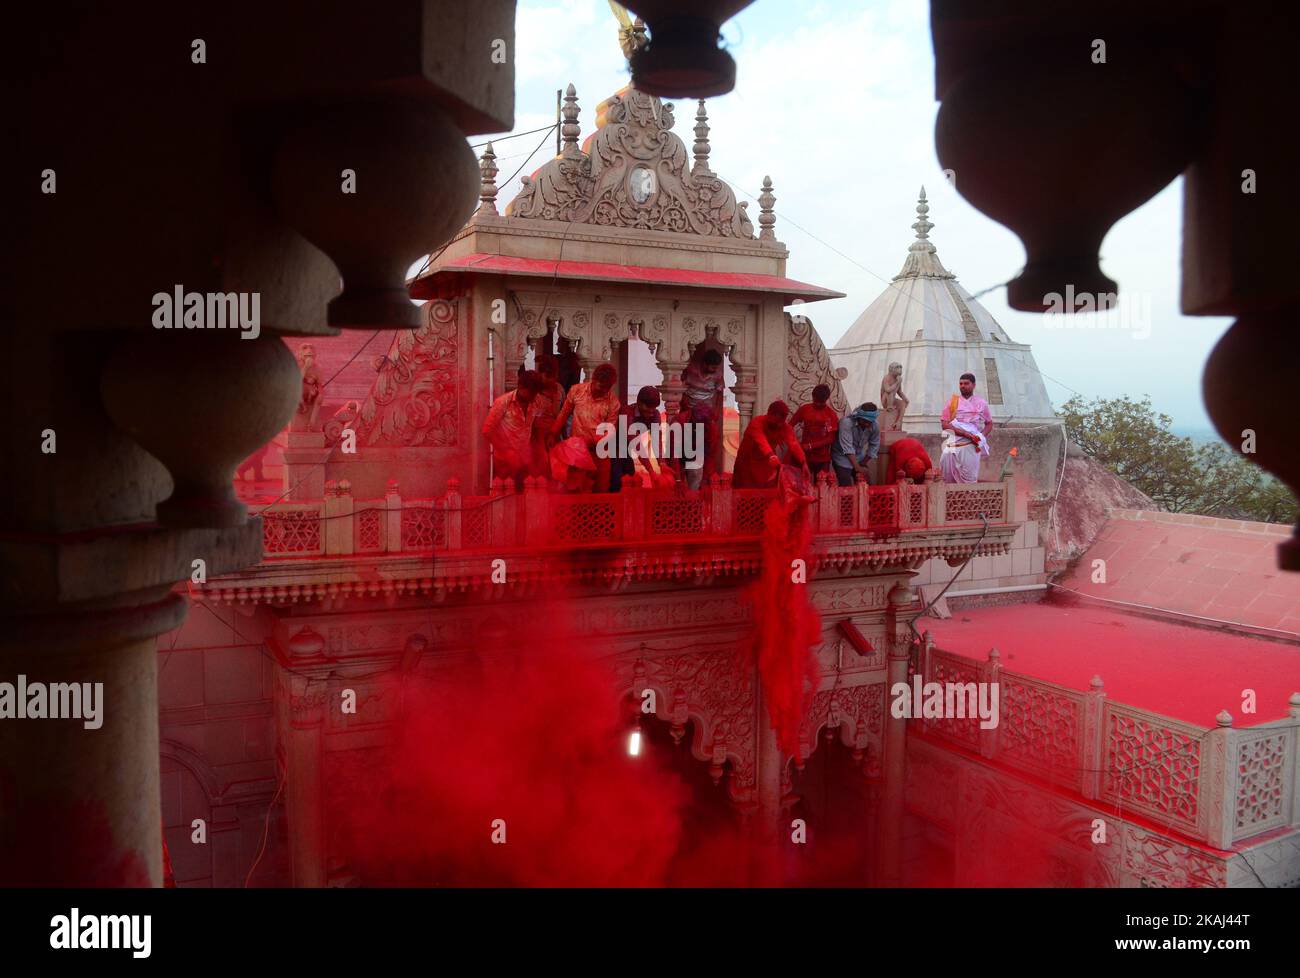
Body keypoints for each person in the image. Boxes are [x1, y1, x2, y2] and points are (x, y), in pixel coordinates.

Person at [551, 362, 621, 492]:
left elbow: (610, 430)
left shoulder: (613, 402)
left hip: (600, 452)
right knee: (577, 491)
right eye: (601, 386)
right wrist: (553, 433)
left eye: (607, 388)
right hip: (578, 452)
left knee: (601, 492)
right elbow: (563, 414)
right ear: (593, 379)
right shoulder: (576, 391)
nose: (603, 391)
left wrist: (598, 442)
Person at [483, 370, 543, 489]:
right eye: (530, 393)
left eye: (535, 393)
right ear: (520, 387)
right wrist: (507, 452)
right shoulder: (502, 402)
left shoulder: (537, 400)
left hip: (525, 459)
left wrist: (541, 450)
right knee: (505, 497)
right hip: (504, 462)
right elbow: (487, 431)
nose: (533, 397)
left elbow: (537, 427)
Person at [609, 386, 674, 490]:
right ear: (639, 402)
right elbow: (636, 443)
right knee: (617, 482)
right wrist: (651, 471)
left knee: (632, 482)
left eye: (653, 409)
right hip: (612, 450)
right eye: (648, 408)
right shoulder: (627, 412)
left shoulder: (655, 414)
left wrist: (661, 463)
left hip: (627, 451)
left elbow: (657, 440)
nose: (651, 413)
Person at [733, 400, 808, 489]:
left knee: (768, 494)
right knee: (745, 494)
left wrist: (803, 462)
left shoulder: (784, 426)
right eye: (776, 421)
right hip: (746, 464)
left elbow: (793, 444)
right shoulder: (757, 422)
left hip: (765, 466)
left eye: (781, 422)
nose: (778, 425)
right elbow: (761, 440)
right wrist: (771, 456)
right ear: (770, 414)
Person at [680, 347, 725, 488]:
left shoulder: (717, 375)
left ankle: (706, 478)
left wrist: (716, 413)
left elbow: (719, 394)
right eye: (712, 367)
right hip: (690, 413)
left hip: (707, 415)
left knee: (710, 446)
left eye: (716, 367)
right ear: (704, 364)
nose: (714, 369)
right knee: (687, 448)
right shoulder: (691, 370)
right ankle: (683, 479)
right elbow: (680, 388)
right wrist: (686, 409)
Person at [940, 372, 994, 484]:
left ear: (973, 385)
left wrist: (980, 436)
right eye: (960, 383)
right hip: (953, 443)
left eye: (966, 383)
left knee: (969, 480)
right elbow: (944, 424)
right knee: (946, 476)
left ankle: (968, 500)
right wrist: (965, 434)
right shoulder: (952, 402)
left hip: (971, 445)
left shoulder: (982, 404)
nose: (962, 386)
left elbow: (989, 424)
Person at [790, 384, 839, 479]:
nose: (818, 404)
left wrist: (810, 446)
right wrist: (793, 442)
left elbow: (831, 439)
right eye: (816, 401)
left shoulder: (831, 415)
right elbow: (790, 426)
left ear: (827, 399)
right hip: (805, 456)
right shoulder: (804, 409)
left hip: (823, 458)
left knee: (822, 488)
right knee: (803, 486)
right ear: (812, 396)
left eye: (821, 402)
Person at [529, 356, 565, 478]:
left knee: (558, 470)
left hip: (556, 435)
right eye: (547, 376)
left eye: (553, 376)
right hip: (538, 437)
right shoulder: (534, 393)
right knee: (542, 470)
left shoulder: (560, 389)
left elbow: (563, 414)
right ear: (540, 375)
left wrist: (561, 437)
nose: (551, 380)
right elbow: (532, 420)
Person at [831, 403, 880, 486]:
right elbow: (847, 448)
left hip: (859, 456)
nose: (867, 424)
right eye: (864, 421)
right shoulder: (846, 423)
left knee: (866, 485)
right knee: (846, 484)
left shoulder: (875, 425)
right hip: (842, 457)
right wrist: (857, 468)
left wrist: (863, 463)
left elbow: (874, 445)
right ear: (859, 417)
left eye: (869, 422)